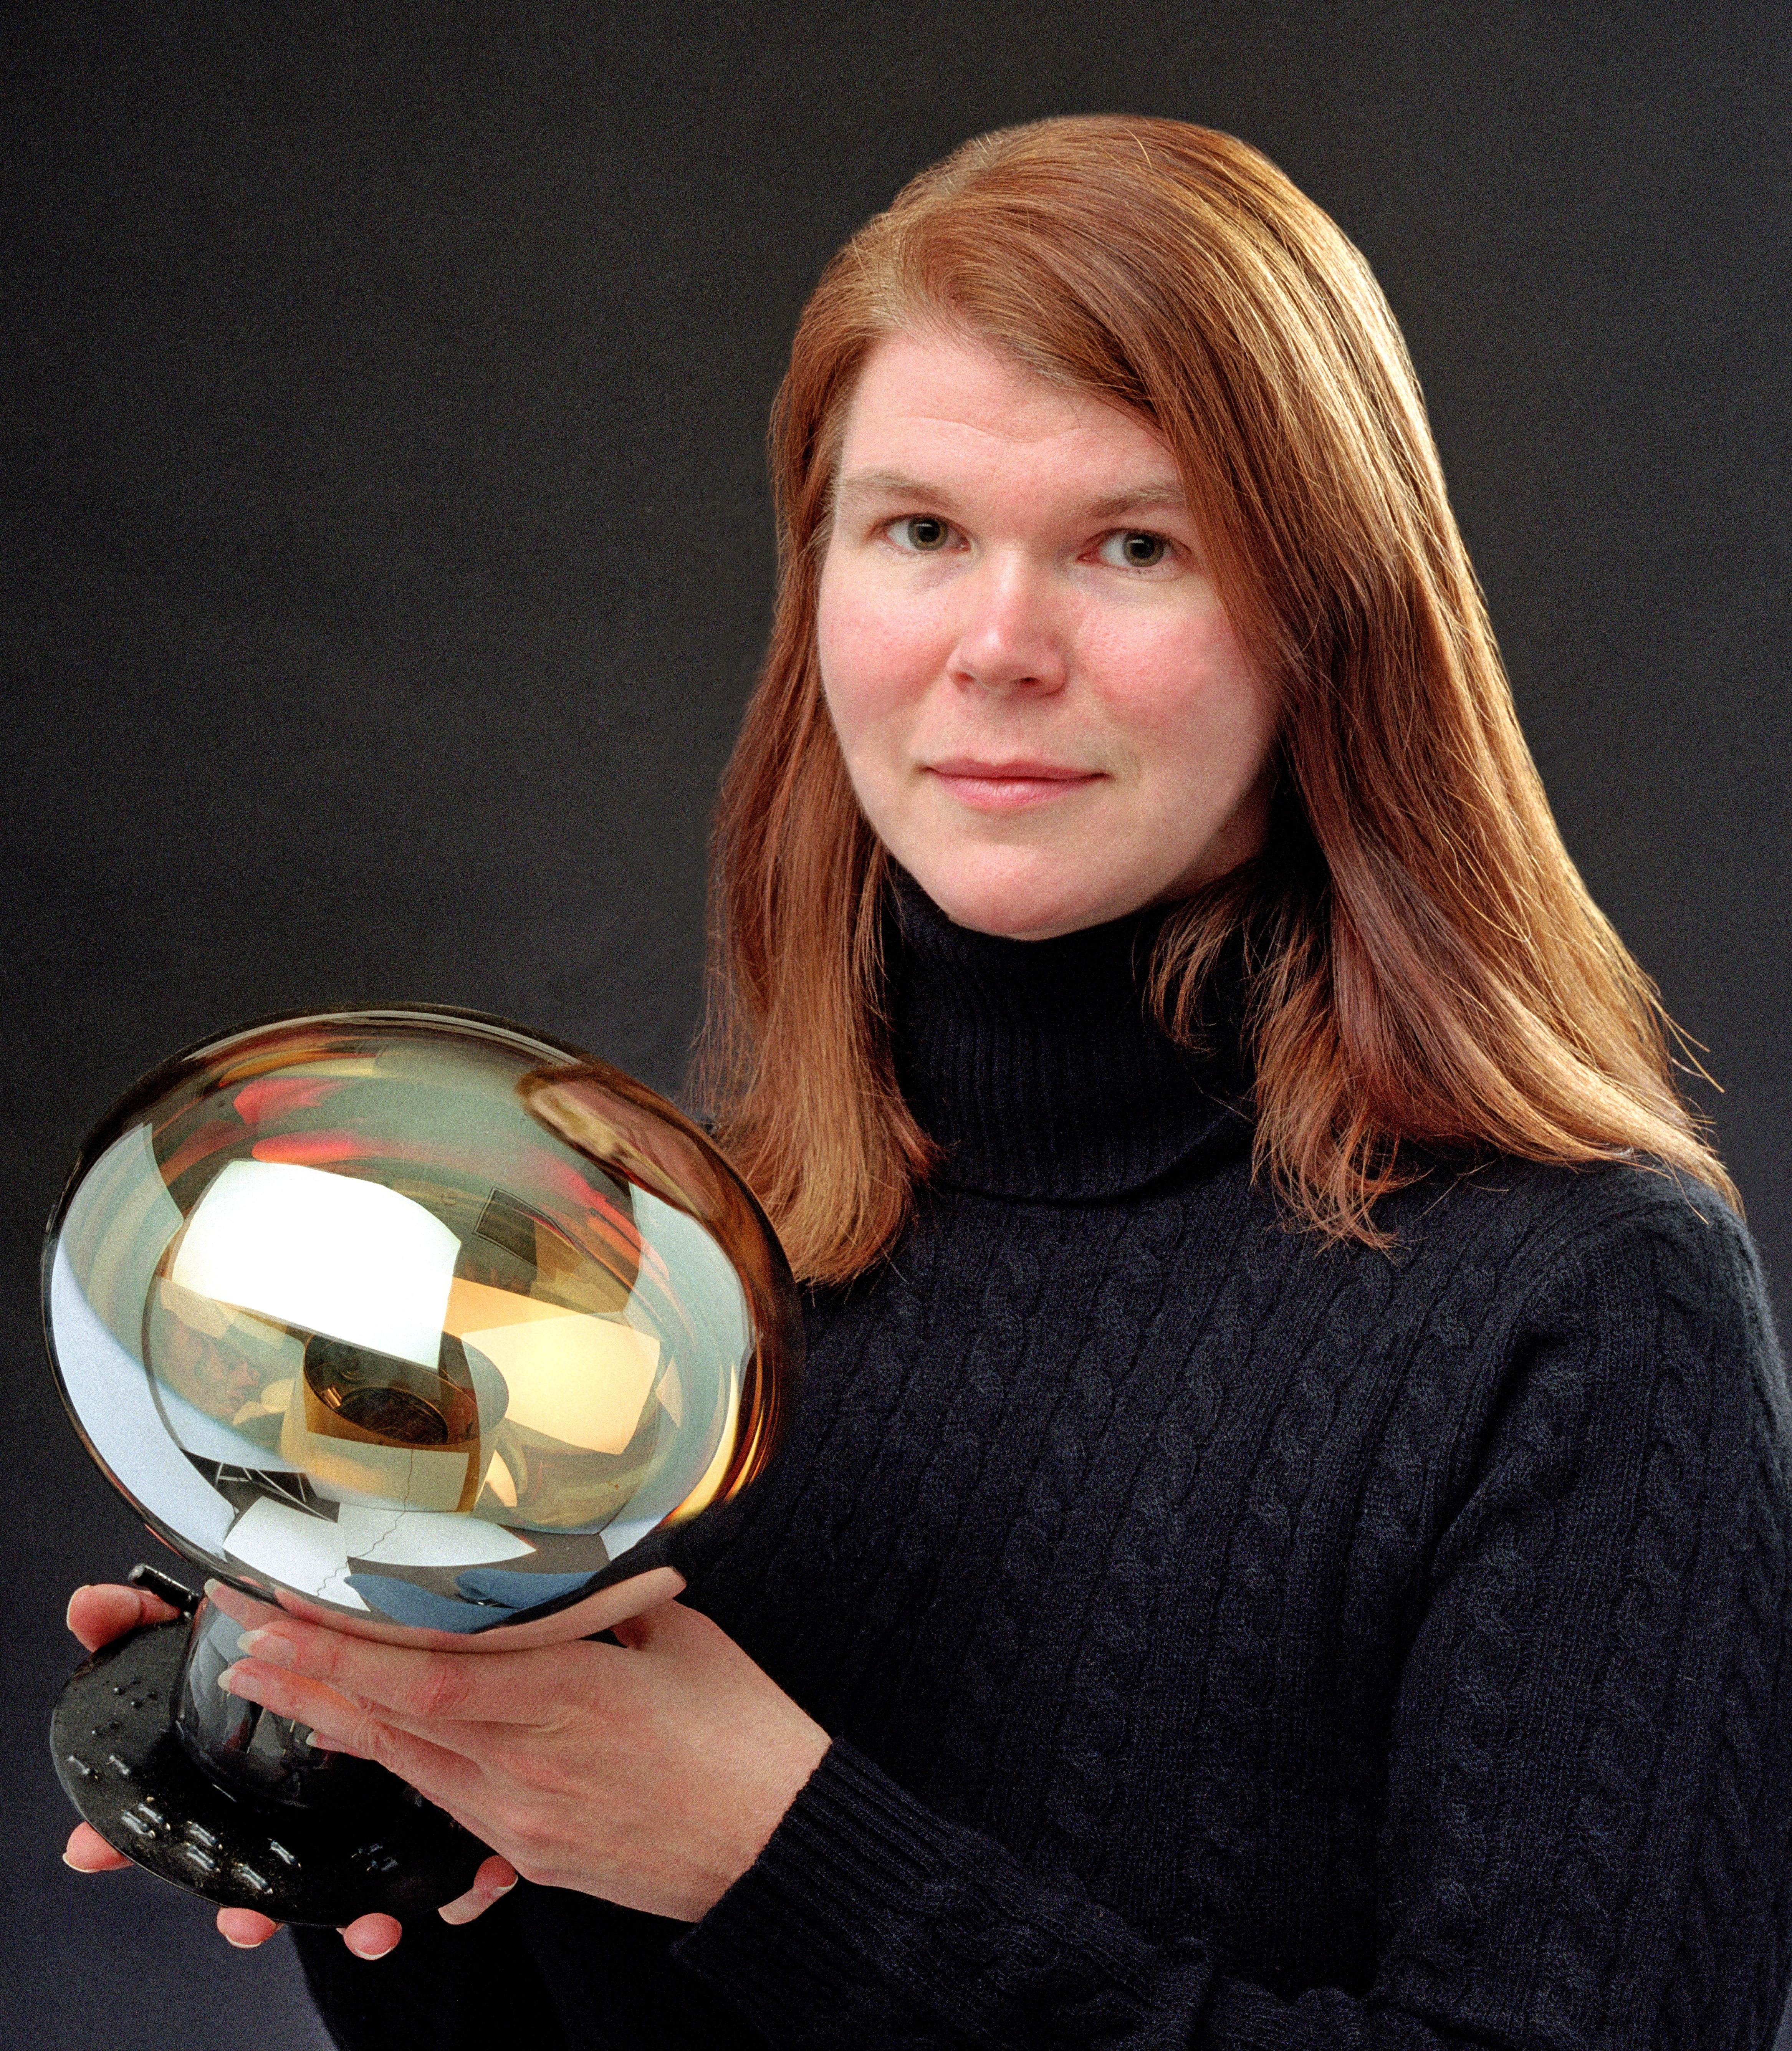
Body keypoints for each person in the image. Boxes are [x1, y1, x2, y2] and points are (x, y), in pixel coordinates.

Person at [65, 115, 1792, 2048]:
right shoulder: (673, 1304)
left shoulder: (1585, 1310)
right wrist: (371, 1775)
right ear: (818, 594)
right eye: (921, 533)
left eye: (1134, 546)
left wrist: (771, 1849)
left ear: (1332, 620)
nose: (998, 648)